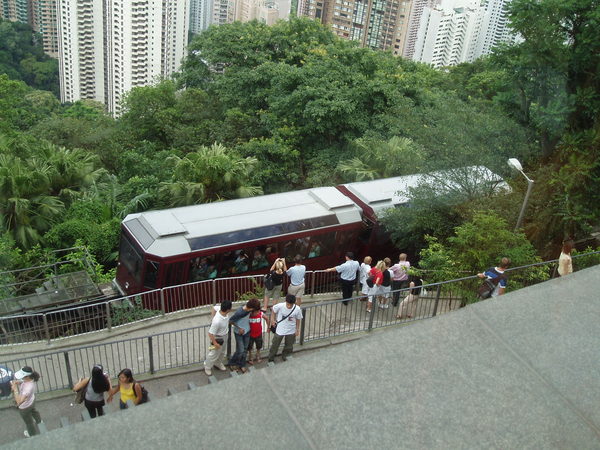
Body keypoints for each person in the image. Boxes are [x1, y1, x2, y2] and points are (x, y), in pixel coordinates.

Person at [228, 299, 261, 373]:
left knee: (245, 349)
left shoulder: (249, 310)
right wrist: (239, 328)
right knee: (240, 350)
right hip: (239, 333)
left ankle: (242, 364)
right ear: (252, 308)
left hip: (247, 331)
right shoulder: (239, 312)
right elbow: (231, 321)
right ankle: (232, 362)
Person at [268, 294, 303, 362]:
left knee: (289, 345)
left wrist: (297, 329)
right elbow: (273, 310)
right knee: (275, 344)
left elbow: (298, 319)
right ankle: (271, 357)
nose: (289, 306)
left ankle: (285, 355)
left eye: (291, 304)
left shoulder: (297, 309)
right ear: (285, 301)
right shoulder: (280, 306)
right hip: (280, 329)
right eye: (288, 304)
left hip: (291, 329)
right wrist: (272, 320)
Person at [11, 366, 42, 437]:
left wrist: (15, 389)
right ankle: (39, 421)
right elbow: (24, 381)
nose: (21, 378)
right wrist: (18, 382)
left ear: (27, 376)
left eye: (23, 376)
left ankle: (32, 434)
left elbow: (19, 402)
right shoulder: (31, 379)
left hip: (25, 407)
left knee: (29, 423)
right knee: (34, 411)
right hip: (32, 401)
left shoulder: (27, 389)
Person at [204, 300, 233, 376]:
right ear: (228, 310)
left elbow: (214, 308)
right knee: (213, 353)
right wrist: (215, 343)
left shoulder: (220, 308)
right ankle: (207, 366)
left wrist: (212, 317)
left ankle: (218, 363)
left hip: (225, 335)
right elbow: (210, 333)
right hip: (218, 337)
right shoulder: (217, 321)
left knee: (222, 352)